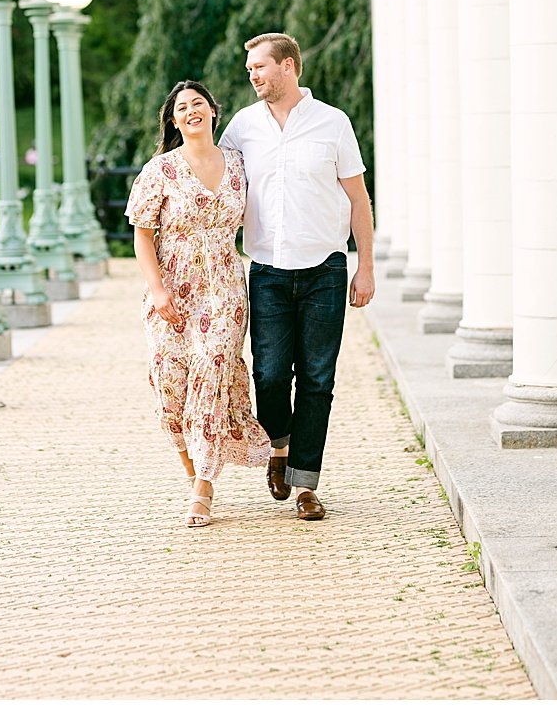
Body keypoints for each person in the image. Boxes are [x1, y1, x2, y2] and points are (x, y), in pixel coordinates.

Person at [220, 32, 375, 522]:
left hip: (325, 271)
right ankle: (280, 449)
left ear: (288, 66)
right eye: (250, 70)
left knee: (316, 379)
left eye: (260, 67)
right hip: (266, 271)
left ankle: (307, 484)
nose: (253, 75)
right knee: (268, 373)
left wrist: (364, 266)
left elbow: (358, 200)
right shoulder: (242, 128)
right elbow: (215, 182)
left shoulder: (333, 123)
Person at [127, 80, 271, 527]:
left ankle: (203, 488)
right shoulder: (160, 170)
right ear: (174, 119)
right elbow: (142, 233)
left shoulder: (240, 165)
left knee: (211, 374)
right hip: (172, 288)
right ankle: (195, 471)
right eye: (182, 107)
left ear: (212, 111)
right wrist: (158, 291)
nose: (191, 111)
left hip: (225, 289)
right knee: (170, 387)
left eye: (198, 104)